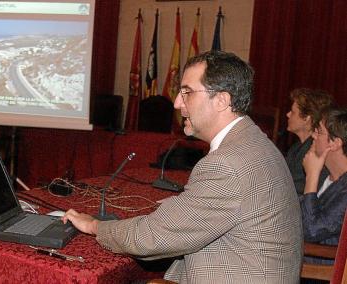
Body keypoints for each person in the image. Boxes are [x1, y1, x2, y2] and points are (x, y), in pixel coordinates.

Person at [63, 51, 302, 283]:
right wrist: (187, 206)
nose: (177, 103)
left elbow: (150, 238)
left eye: (187, 92)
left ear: (222, 100)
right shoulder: (255, 142)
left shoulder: (227, 164)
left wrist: (95, 225)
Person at [301, 108, 347, 248]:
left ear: (335, 143)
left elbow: (311, 231)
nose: (313, 136)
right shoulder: (325, 175)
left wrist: (311, 176)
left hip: (319, 266)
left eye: (318, 132)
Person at [285, 88, 334, 195]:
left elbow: (291, 189)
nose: (288, 114)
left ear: (307, 118)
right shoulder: (297, 146)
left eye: (293, 112)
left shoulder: (314, 151)